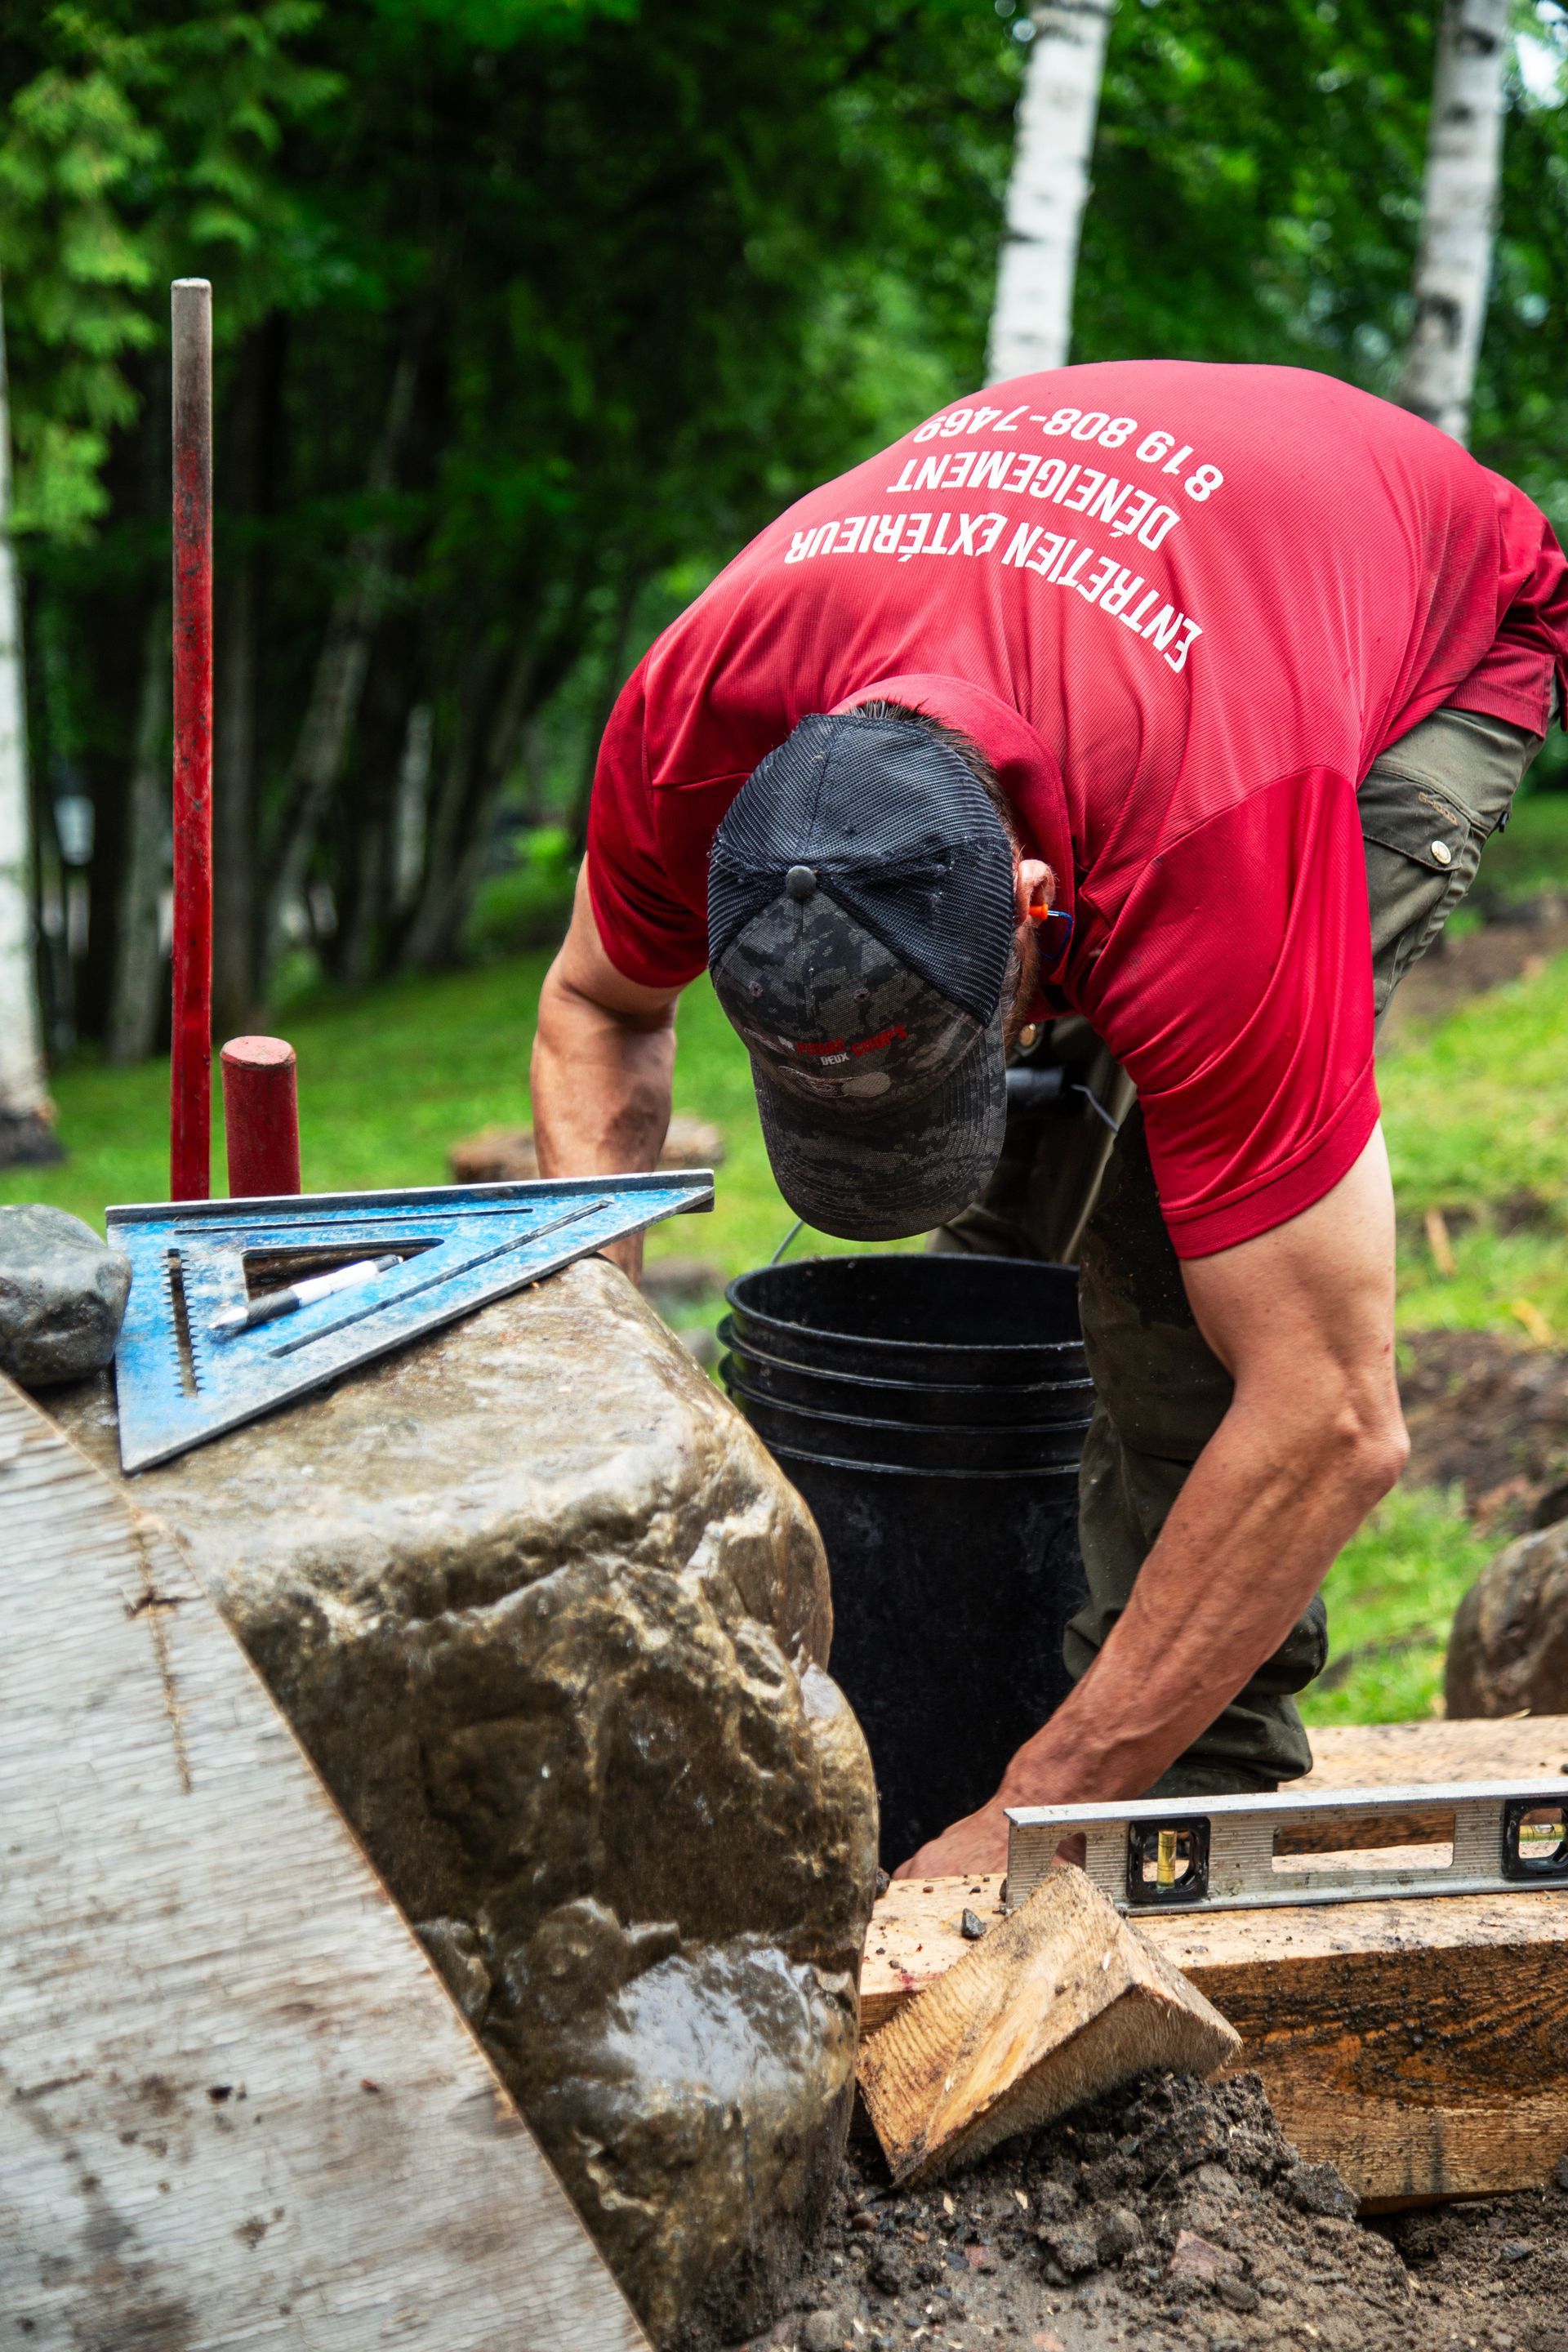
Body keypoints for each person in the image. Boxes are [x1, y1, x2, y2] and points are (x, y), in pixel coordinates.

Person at [531, 360, 1568, 1876]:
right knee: (1010, 1223)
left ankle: (1172, 1792)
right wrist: (620, 1386)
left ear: (1036, 909)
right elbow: (597, 1007)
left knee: (1170, 1240)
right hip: (1099, 647)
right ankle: (1026, 1672)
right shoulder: (699, 718)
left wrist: (1028, 1823)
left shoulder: (1214, 837)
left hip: (1429, 629)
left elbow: (1334, 1413)